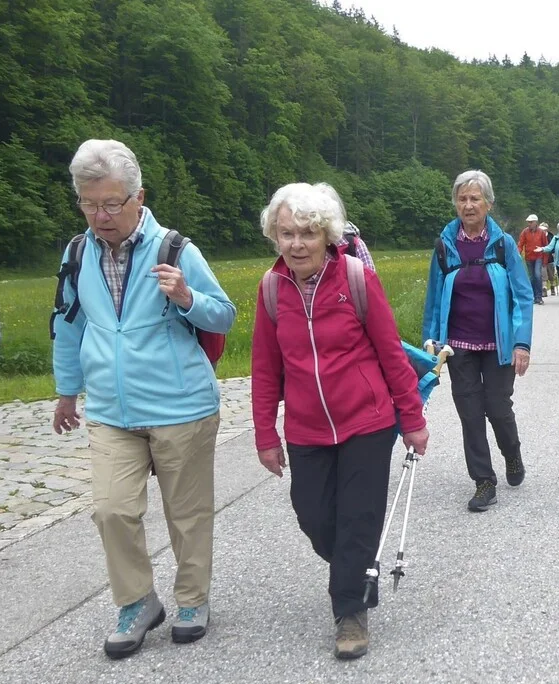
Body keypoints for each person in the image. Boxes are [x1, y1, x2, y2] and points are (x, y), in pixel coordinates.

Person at [51, 139, 236, 659]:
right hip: (110, 409)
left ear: (139, 196)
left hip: (181, 406)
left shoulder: (175, 250)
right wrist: (67, 392)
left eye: (111, 203)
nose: (101, 216)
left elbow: (223, 314)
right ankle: (137, 602)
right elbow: (68, 327)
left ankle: (192, 600)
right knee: (111, 510)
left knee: (188, 514)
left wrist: (186, 297)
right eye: (89, 204)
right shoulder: (77, 253)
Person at [250, 182, 429, 660]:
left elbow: (392, 355)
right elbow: (266, 369)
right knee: (313, 515)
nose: (296, 244)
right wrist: (265, 434)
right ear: (275, 236)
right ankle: (355, 567)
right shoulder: (271, 290)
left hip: (367, 422)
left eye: (307, 233)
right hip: (306, 427)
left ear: (326, 234)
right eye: (286, 234)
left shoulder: (355, 279)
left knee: (359, 515)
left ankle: (349, 610)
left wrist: (411, 417)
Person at [423, 170, 533, 512]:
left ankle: (511, 453)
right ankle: (484, 481)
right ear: (456, 203)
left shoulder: (503, 245)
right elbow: (433, 296)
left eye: (475, 199)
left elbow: (522, 295)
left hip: (498, 345)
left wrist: (521, 344)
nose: (468, 205)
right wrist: (430, 341)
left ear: (488, 203)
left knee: (498, 409)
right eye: (462, 198)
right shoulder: (444, 245)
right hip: (458, 345)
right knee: (470, 413)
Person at [517, 213, 549, 305]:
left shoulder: (541, 232)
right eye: (528, 222)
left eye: (531, 222)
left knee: (537, 275)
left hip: (538, 257)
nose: (529, 224)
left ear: (536, 222)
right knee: (531, 277)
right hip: (528, 257)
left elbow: (545, 246)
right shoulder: (525, 232)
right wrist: (517, 254)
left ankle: (539, 297)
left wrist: (545, 261)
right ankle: (532, 296)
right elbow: (520, 244)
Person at [539, 222, 558, 296]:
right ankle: (544, 289)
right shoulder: (538, 236)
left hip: (550, 259)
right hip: (541, 259)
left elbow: (554, 247)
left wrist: (554, 254)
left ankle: (552, 286)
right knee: (543, 275)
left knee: (551, 275)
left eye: (544, 229)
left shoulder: (551, 236)